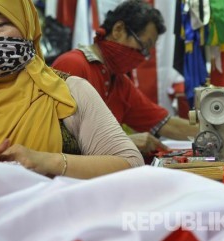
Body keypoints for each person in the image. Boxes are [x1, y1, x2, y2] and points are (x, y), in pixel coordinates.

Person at [0, 0, 144, 179]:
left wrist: (50, 163)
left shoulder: (68, 93)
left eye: (0, 24)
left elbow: (131, 164)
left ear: (27, 25)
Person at [52, 0, 198, 155]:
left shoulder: (119, 82)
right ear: (118, 30)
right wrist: (125, 142)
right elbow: (56, 137)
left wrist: (217, 130)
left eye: (147, 52)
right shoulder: (72, 65)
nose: (143, 56)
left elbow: (164, 123)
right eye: (143, 46)